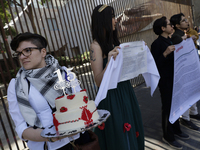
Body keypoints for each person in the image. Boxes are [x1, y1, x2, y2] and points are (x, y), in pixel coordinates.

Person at [7, 32, 93, 150]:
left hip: (81, 140)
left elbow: (82, 105)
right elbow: (21, 128)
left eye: (27, 50)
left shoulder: (65, 73)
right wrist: (53, 137)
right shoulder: (16, 85)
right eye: (19, 53)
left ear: (43, 52)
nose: (22, 57)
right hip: (50, 146)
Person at [90, 4, 144, 150]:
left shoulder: (114, 41)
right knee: (119, 135)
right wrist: (109, 62)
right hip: (111, 96)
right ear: (103, 20)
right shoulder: (96, 46)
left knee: (130, 128)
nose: (116, 20)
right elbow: (99, 81)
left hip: (126, 90)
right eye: (112, 16)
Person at [151, 16, 189, 150]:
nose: (172, 26)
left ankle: (176, 130)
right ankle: (168, 136)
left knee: (176, 106)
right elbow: (155, 65)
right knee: (167, 108)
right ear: (163, 28)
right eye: (169, 25)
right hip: (166, 81)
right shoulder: (157, 44)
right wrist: (165, 54)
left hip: (175, 78)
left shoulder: (170, 39)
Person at [170, 13, 200, 131]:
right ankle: (185, 118)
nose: (187, 21)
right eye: (184, 20)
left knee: (193, 89)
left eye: (186, 19)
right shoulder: (177, 35)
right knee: (186, 92)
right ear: (177, 25)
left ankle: (194, 112)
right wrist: (187, 38)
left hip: (191, 68)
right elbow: (176, 40)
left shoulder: (185, 33)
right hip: (184, 71)